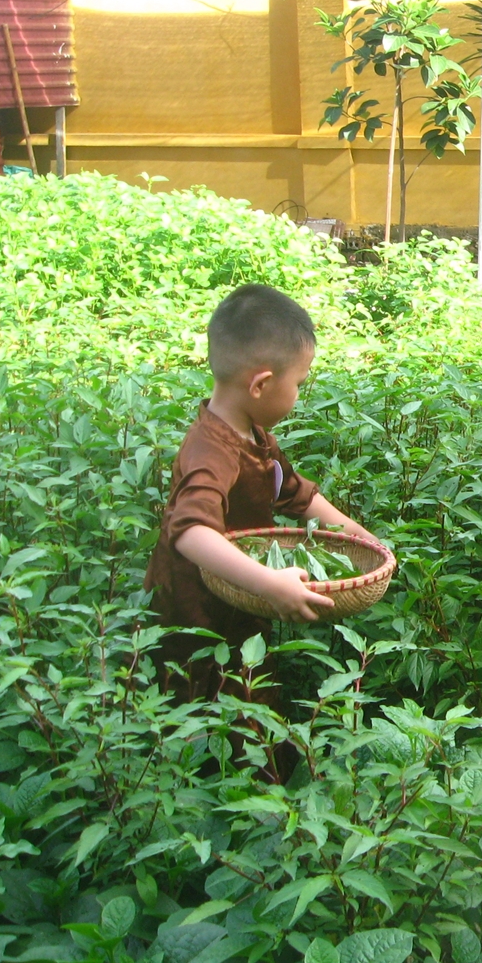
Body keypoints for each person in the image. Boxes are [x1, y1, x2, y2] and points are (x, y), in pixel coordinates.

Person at [145, 284, 377, 701]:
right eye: (299, 383)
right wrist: (269, 583)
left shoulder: (256, 436)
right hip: (193, 613)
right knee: (200, 707)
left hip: (241, 601)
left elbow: (299, 497)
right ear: (261, 385)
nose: (300, 395)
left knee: (249, 690)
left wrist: (359, 538)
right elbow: (191, 531)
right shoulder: (210, 450)